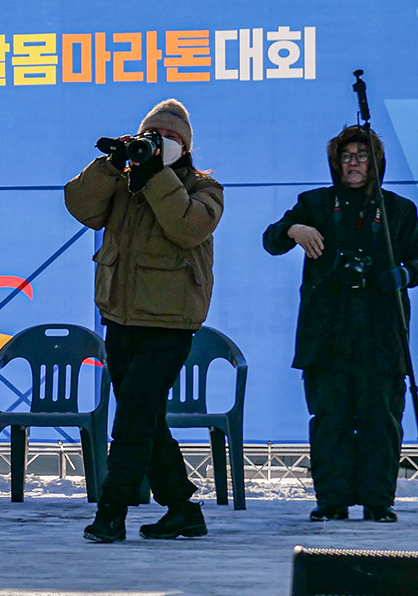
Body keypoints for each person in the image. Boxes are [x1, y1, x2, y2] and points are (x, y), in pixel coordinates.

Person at [64, 99, 224, 542]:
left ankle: (111, 512)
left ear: (186, 148)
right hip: (121, 315)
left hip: (171, 323)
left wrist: (155, 174)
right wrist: (110, 166)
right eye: (154, 136)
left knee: (134, 417)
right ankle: (182, 509)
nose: (161, 143)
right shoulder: (125, 182)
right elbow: (80, 206)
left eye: (171, 138)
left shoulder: (205, 189)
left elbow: (187, 227)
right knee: (145, 418)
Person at [262, 126, 418, 523]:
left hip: (382, 333)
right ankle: (331, 501)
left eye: (362, 156)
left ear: (376, 162)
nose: (353, 163)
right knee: (330, 420)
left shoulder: (399, 209)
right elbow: (271, 240)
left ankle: (378, 502)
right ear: (335, 163)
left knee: (381, 419)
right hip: (327, 334)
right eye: (346, 156)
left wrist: (402, 274)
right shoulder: (314, 204)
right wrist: (293, 229)